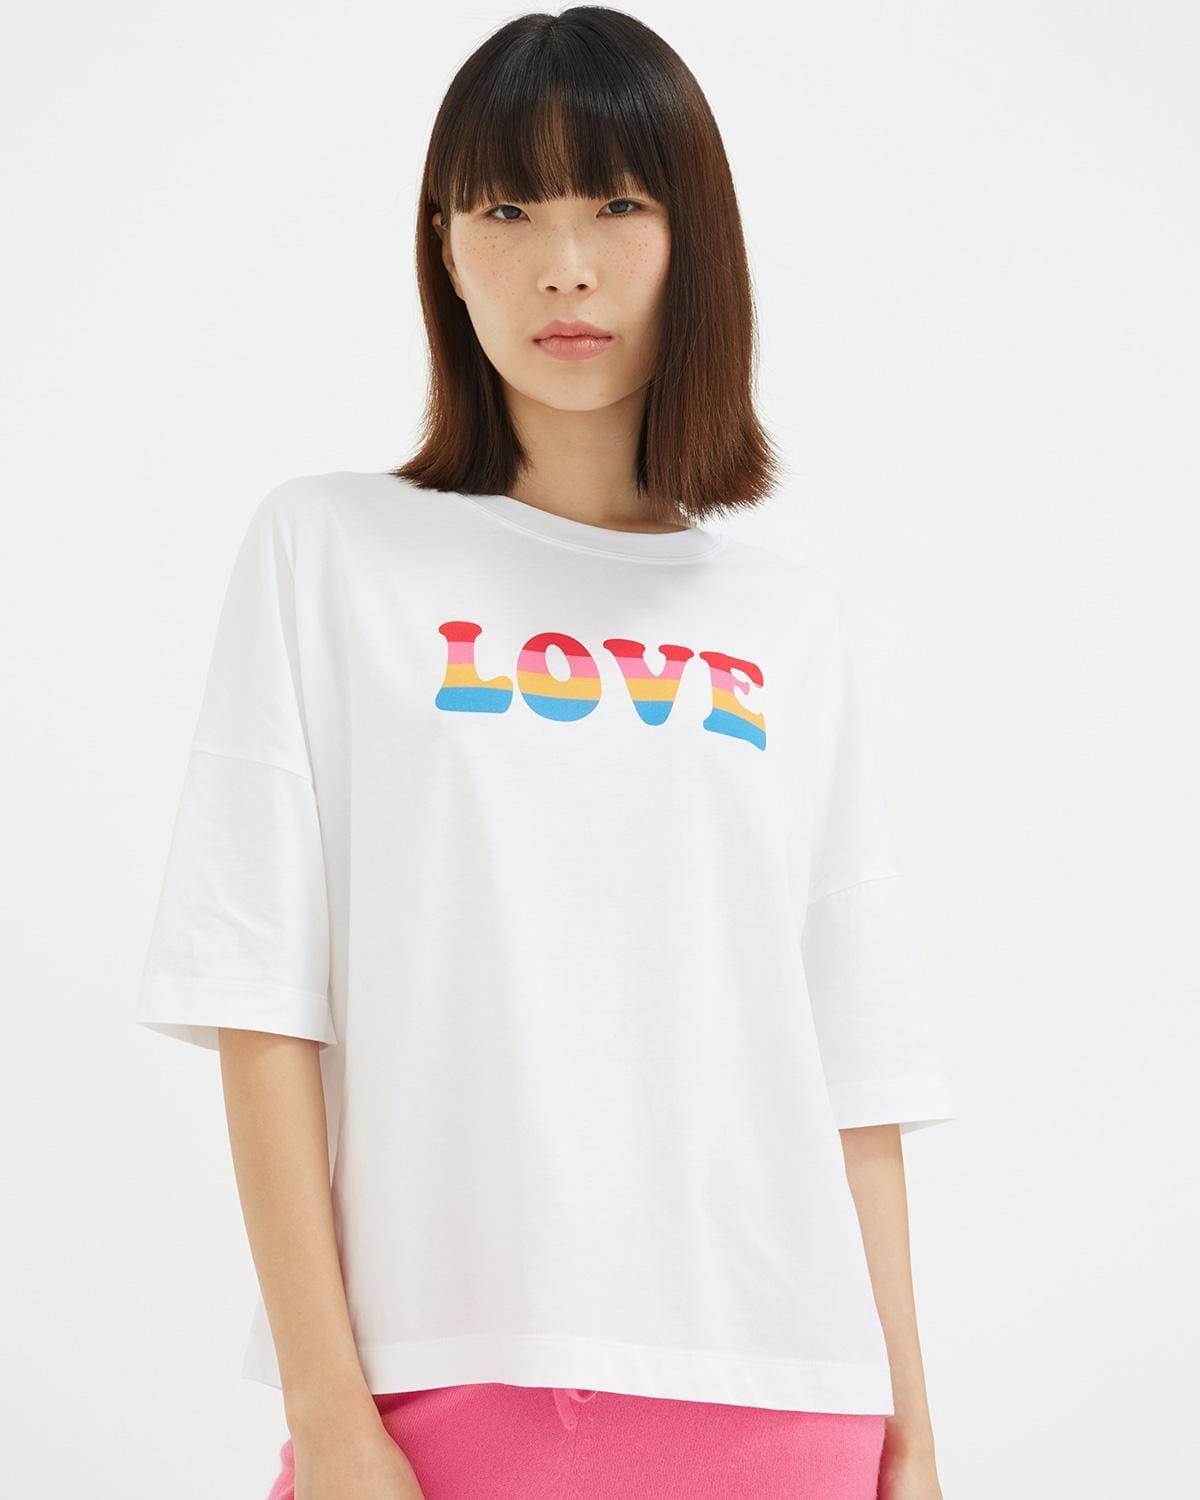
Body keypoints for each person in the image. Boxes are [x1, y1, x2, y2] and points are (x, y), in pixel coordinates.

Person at [135, 8, 957, 1498]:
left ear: (693, 243)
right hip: (439, 1385)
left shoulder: (785, 622)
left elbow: (852, 1055)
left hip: (781, 1403)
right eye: (509, 210)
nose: (564, 265)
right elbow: (260, 997)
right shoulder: (331, 550)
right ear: (445, 246)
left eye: (618, 206)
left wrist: (914, 1437)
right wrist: (333, 1418)